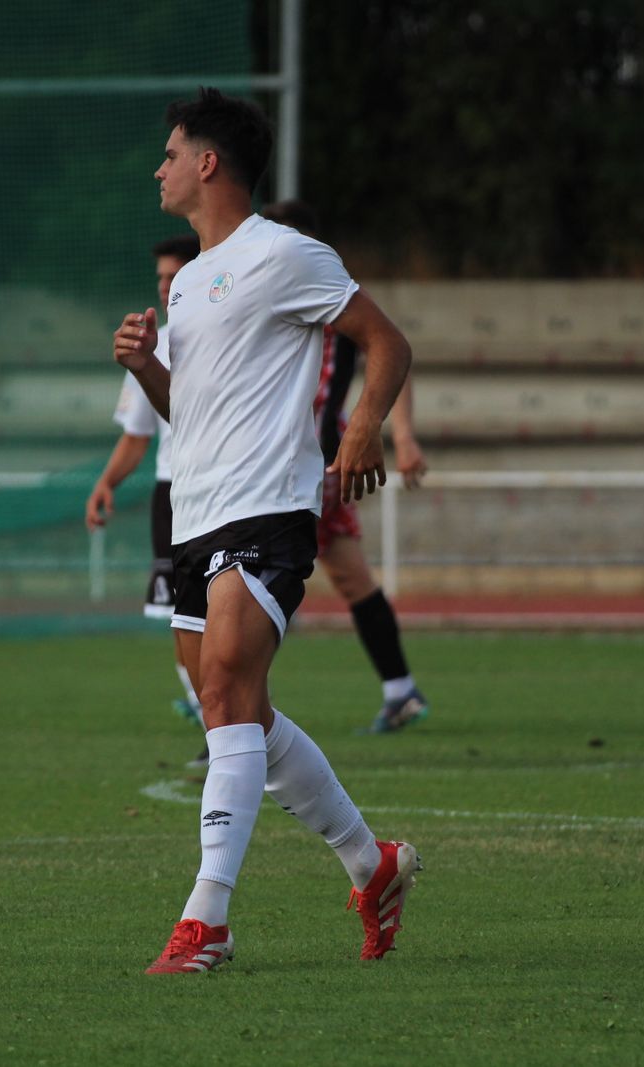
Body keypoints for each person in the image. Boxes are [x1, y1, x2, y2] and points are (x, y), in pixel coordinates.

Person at [113, 88, 421, 972]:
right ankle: (373, 863)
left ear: (208, 163)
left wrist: (364, 428)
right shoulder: (198, 281)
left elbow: (387, 341)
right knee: (236, 710)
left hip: (269, 510)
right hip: (197, 513)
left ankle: (205, 920)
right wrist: (147, 367)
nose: (159, 166)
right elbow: (192, 417)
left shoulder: (283, 254)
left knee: (222, 691)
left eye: (171, 152)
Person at [261, 199, 432, 734]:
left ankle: (232, 710)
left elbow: (392, 353)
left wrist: (400, 435)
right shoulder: (271, 302)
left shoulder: (325, 299)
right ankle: (401, 690)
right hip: (295, 463)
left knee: (252, 579)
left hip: (310, 467)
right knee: (350, 578)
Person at [85, 235, 206, 737]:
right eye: (160, 278)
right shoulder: (153, 347)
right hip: (172, 495)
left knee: (227, 623)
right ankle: (215, 724)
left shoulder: (231, 342)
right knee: (183, 619)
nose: (164, 286)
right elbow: (138, 438)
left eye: (174, 277)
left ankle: (235, 723)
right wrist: (106, 483)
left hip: (229, 494)